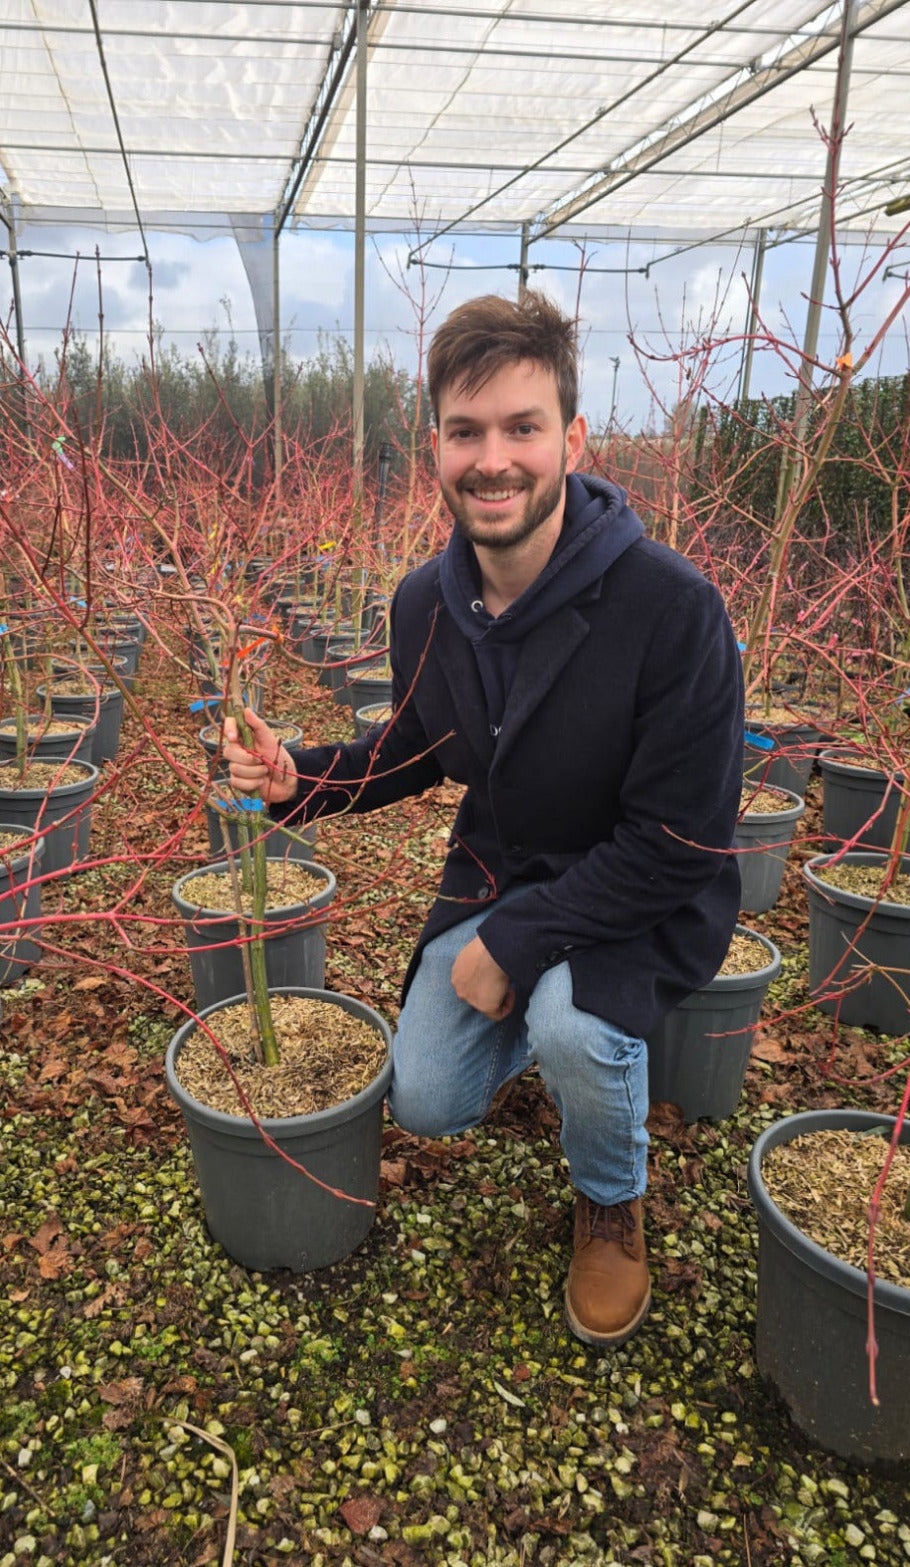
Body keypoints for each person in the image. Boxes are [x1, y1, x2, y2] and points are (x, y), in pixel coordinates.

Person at [223, 292, 743, 1347]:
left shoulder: (668, 608)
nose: (491, 458)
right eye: (465, 431)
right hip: (504, 871)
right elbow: (418, 746)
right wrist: (297, 781)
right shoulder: (425, 601)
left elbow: (678, 843)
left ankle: (608, 1193)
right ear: (435, 449)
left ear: (572, 440)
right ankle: (543, 1030)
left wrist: (513, 946)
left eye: (521, 427)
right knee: (424, 1100)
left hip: (637, 893)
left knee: (572, 1020)